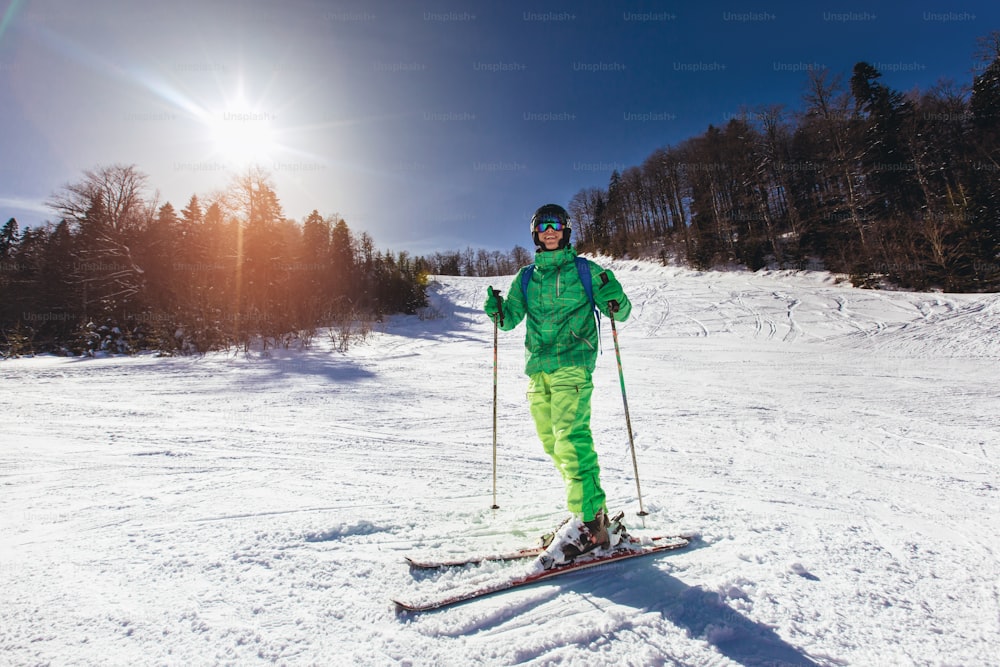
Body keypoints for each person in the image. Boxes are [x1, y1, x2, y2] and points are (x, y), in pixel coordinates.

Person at [484, 203, 633, 567]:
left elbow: (620, 311)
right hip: (538, 369)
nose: (549, 231)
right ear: (535, 233)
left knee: (570, 437)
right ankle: (595, 515)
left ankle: (586, 523)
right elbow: (509, 321)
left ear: (566, 231)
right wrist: (497, 311)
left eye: (556, 225)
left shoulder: (585, 270)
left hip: (572, 364)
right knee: (553, 443)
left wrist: (614, 294)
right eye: (542, 226)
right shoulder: (525, 277)